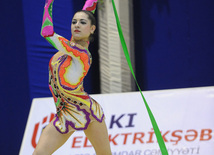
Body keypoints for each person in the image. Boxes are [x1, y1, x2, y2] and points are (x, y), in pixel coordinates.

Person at [33, 0, 112, 154]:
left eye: (82, 23)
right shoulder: (68, 46)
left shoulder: (80, 53)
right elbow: (89, 7)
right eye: (74, 22)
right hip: (64, 113)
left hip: (88, 112)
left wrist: (48, 4)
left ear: (92, 29)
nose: (77, 25)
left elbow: (47, 33)